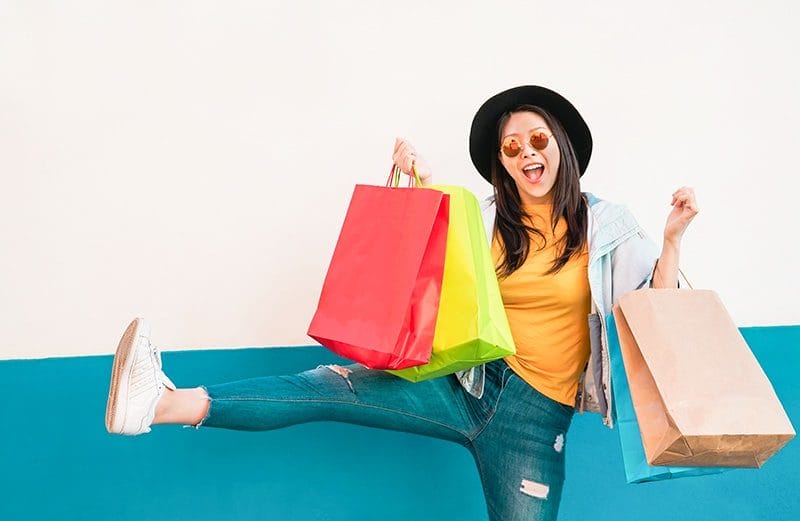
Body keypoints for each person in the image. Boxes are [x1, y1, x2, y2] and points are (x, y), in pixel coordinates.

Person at [105, 85, 699, 521]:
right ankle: (156, 405)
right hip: (463, 382)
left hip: (535, 421)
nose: (526, 153)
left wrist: (671, 240)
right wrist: (414, 182)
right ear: (503, 163)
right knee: (328, 386)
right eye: (511, 147)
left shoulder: (608, 227)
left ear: (562, 148)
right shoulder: (490, 218)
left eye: (538, 140)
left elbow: (657, 314)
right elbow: (436, 259)